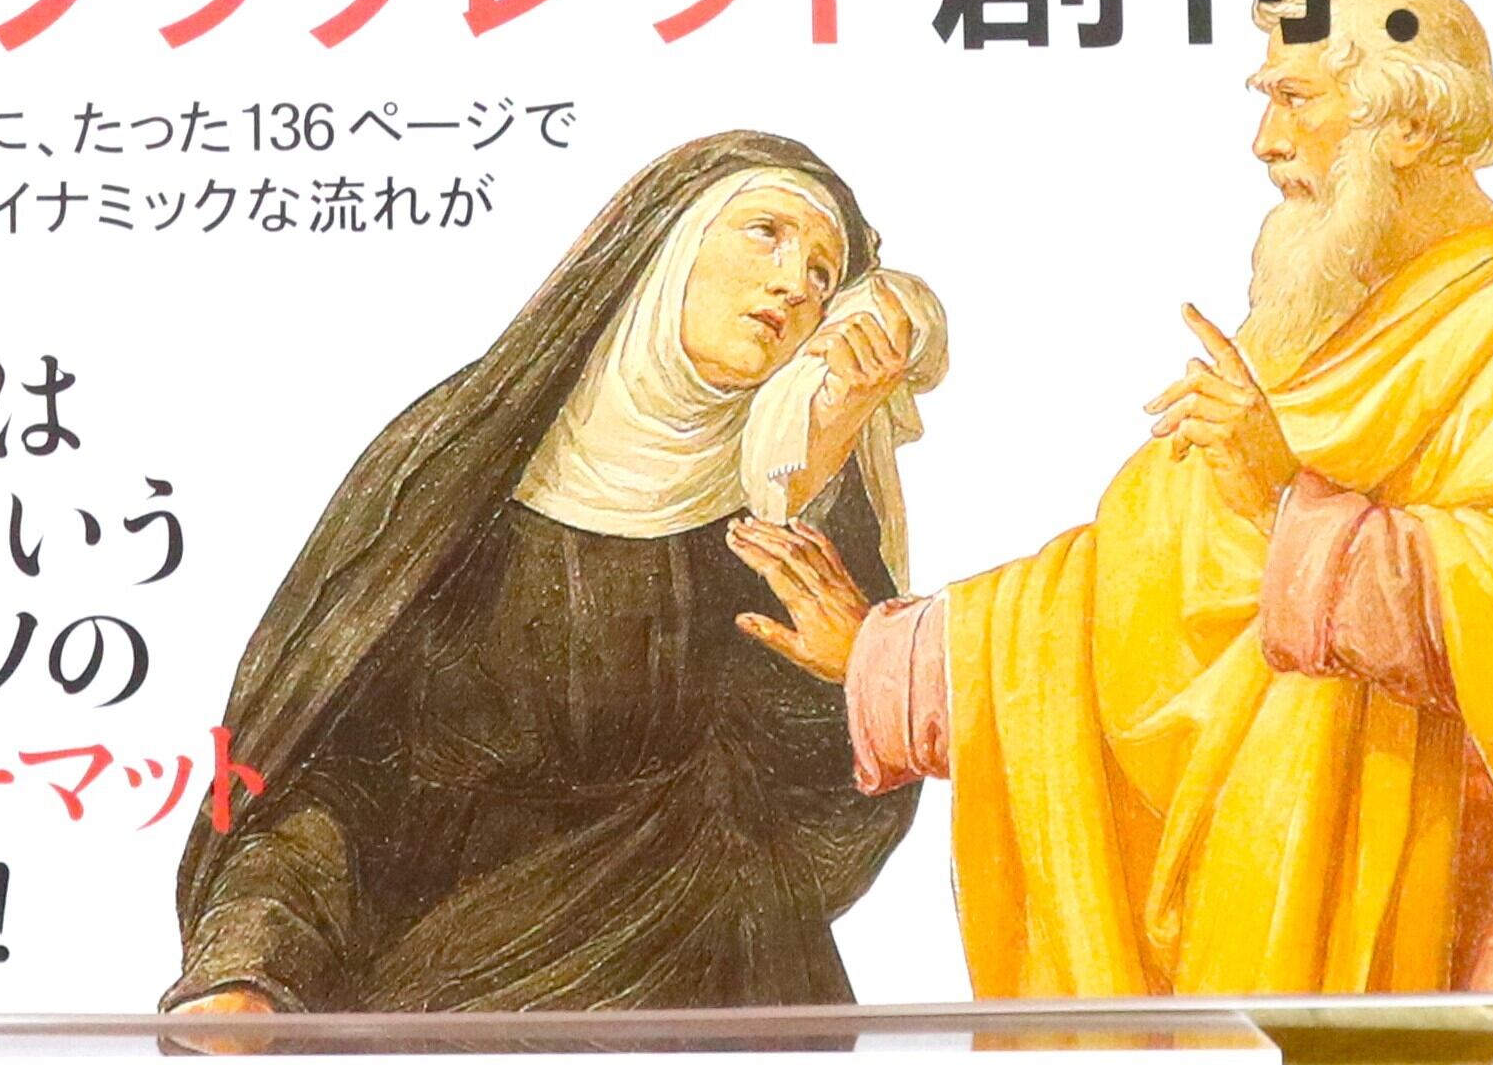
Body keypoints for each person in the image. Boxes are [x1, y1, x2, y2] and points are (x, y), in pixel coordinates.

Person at [732, 0, 1493, 998]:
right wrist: (891, 656)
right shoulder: (1324, 325)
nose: (1264, 142)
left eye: (1293, 99)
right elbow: (1135, 584)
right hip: (1256, 903)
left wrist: (1288, 506)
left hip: (1434, 931)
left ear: (1413, 127)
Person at [169, 131, 940, 1019]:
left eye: (821, 276)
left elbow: (832, 817)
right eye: (766, 233)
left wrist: (802, 496)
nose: (793, 285)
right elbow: (323, 769)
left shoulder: (805, 507)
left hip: (718, 987)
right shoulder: (462, 459)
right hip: (458, 991)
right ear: (665, 245)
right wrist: (251, 969)